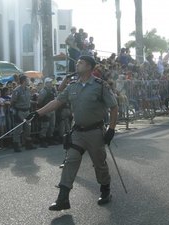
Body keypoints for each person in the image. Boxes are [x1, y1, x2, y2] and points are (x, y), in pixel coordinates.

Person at [26, 55, 118, 211]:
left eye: (80, 63)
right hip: (78, 131)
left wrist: (111, 129)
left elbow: (114, 107)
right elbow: (57, 101)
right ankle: (63, 199)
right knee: (70, 161)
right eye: (78, 62)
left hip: (95, 131)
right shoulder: (72, 86)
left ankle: (105, 190)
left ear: (89, 67)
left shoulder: (100, 86)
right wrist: (38, 113)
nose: (77, 65)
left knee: (99, 164)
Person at [10, 74, 35, 152]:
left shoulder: (28, 89)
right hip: (19, 111)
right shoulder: (16, 90)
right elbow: (13, 101)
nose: (28, 81)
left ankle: (28, 144)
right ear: (24, 81)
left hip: (27, 111)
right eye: (27, 80)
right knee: (18, 129)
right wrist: (15, 111)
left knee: (28, 128)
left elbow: (28, 100)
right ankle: (16, 145)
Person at [37, 77, 57, 148]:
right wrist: (43, 109)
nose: (51, 83)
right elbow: (39, 101)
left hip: (52, 110)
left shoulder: (53, 90)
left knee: (52, 125)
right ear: (46, 83)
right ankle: (42, 140)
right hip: (46, 110)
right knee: (45, 126)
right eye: (49, 82)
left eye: (51, 82)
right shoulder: (43, 91)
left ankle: (49, 139)